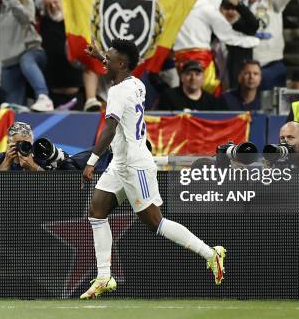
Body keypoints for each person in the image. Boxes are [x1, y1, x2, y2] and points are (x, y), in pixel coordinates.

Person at [80, 38, 226, 299]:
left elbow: (110, 128)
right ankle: (104, 277)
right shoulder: (136, 83)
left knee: (155, 224)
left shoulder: (118, 92)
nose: (105, 63)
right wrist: (100, 55)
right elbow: (116, 66)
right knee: (96, 211)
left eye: (109, 59)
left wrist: (91, 162)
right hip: (120, 163)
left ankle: (210, 253)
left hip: (136, 166)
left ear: (121, 64)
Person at [241, 0, 299, 90]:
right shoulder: (236, 3)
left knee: (271, 107)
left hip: (271, 65)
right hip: (244, 66)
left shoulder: (273, 0)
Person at [157, 60, 223, 110]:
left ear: (203, 78)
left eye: (197, 74)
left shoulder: (212, 102)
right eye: (188, 74)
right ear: (181, 77)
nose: (193, 78)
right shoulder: (168, 97)